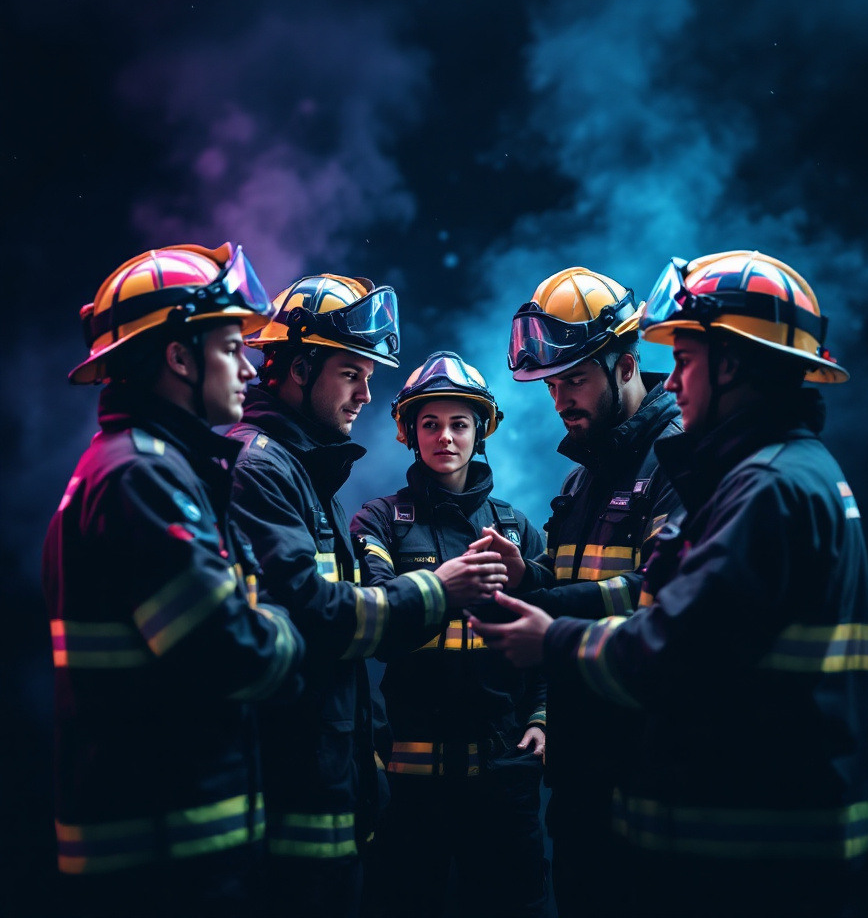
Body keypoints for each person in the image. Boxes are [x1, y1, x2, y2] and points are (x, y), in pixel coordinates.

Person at [471, 250, 868, 918]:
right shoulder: (761, 474)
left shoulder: (760, 486)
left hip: (752, 851)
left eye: (685, 360)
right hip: (707, 828)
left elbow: (672, 641)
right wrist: (535, 579)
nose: (676, 380)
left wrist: (551, 634)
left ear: (733, 363)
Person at [42, 242, 306, 918]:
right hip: (163, 868)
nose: (249, 366)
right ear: (179, 358)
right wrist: (287, 630)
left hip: (178, 857)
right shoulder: (142, 478)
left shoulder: (159, 467)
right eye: (228, 346)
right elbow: (238, 654)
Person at [227, 279, 506, 918]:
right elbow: (319, 620)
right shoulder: (262, 469)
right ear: (299, 369)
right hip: (290, 794)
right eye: (352, 372)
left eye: (370, 375)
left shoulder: (304, 469)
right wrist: (441, 588)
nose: (367, 393)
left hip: (329, 785)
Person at [494, 266, 681, 916]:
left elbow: (663, 597)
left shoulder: (678, 461)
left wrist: (545, 610)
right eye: (552, 384)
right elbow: (585, 589)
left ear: (626, 365)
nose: (559, 399)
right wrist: (530, 579)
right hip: (583, 770)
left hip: (645, 769)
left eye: (574, 379)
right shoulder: (585, 474)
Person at [350, 351, 548, 918]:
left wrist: (540, 718)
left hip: (504, 777)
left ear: (480, 430)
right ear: (409, 433)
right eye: (430, 424)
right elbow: (380, 632)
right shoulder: (379, 522)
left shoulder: (515, 528)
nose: (445, 437)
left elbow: (546, 634)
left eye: (459, 424)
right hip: (411, 783)